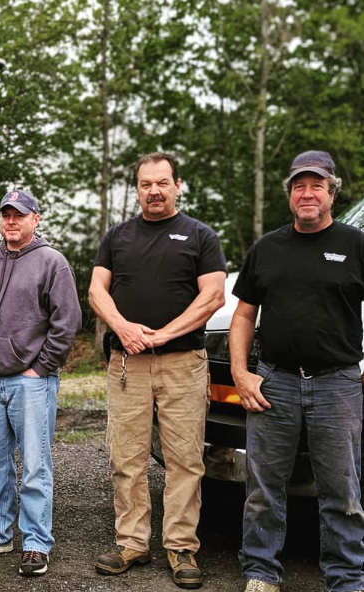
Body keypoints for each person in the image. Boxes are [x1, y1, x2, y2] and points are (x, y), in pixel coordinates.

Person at [88, 152, 226, 589]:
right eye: (146, 184)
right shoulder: (117, 237)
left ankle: (181, 547)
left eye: (162, 182)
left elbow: (214, 297)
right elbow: (96, 290)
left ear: (178, 186)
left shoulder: (200, 236)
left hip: (183, 365)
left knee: (185, 459)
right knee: (126, 458)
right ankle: (131, 542)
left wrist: (163, 334)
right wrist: (124, 328)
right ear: (136, 190)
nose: (154, 191)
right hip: (127, 364)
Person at [229, 151, 364, 592]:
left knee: (342, 491)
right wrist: (240, 373)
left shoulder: (355, 245)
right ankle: (261, 572)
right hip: (275, 383)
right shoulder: (267, 248)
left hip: (338, 385)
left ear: (331, 192)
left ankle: (345, 578)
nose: (307, 194)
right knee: (263, 488)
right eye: (299, 186)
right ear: (290, 194)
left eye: (317, 185)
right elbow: (244, 316)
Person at [0, 189, 81, 577]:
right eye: (6, 215)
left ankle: (36, 542)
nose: (12, 221)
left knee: (35, 465)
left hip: (31, 382)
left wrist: (41, 367)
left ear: (35, 219)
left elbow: (67, 321)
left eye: (20, 215)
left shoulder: (52, 263)